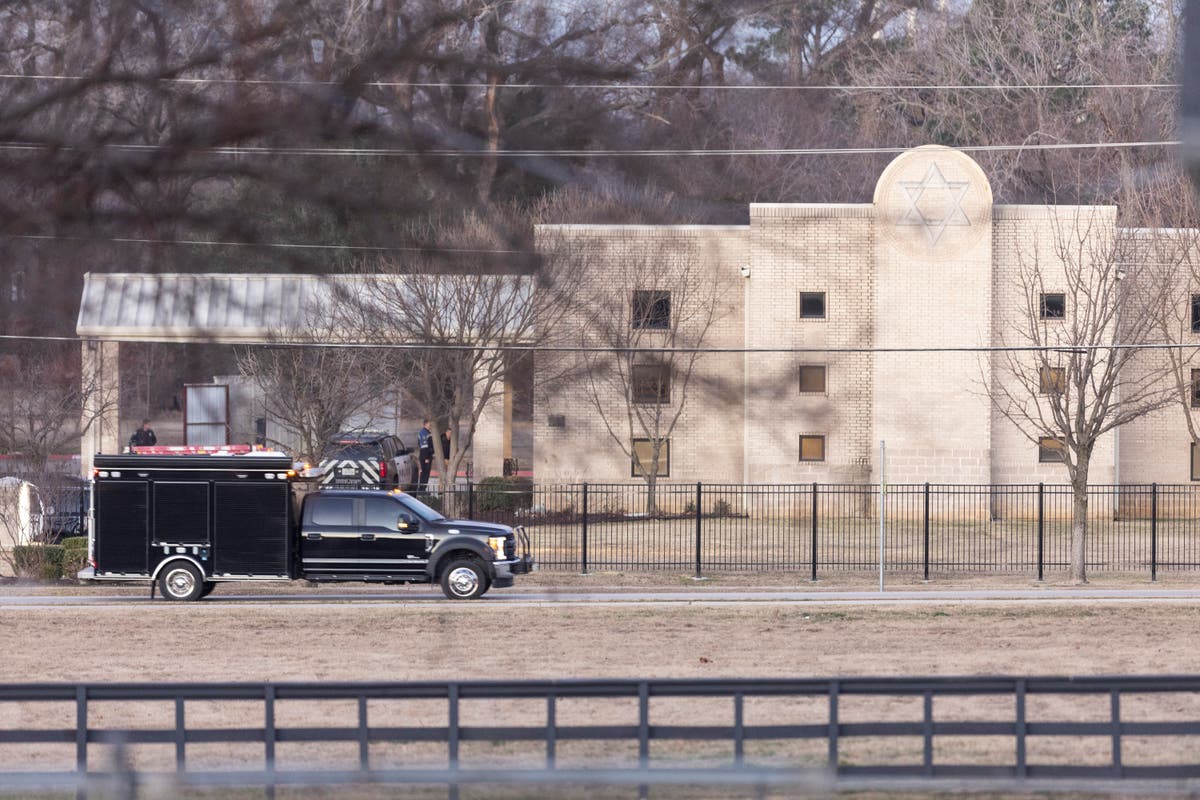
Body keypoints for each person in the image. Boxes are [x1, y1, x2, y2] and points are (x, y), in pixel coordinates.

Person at [417, 419, 434, 489]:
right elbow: (424, 447)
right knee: (425, 473)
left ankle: (423, 488)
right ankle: (422, 489)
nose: (430, 425)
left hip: (426, 455)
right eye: (429, 424)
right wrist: (426, 457)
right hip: (425, 456)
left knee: (426, 473)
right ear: (425, 424)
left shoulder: (427, 432)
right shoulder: (424, 433)